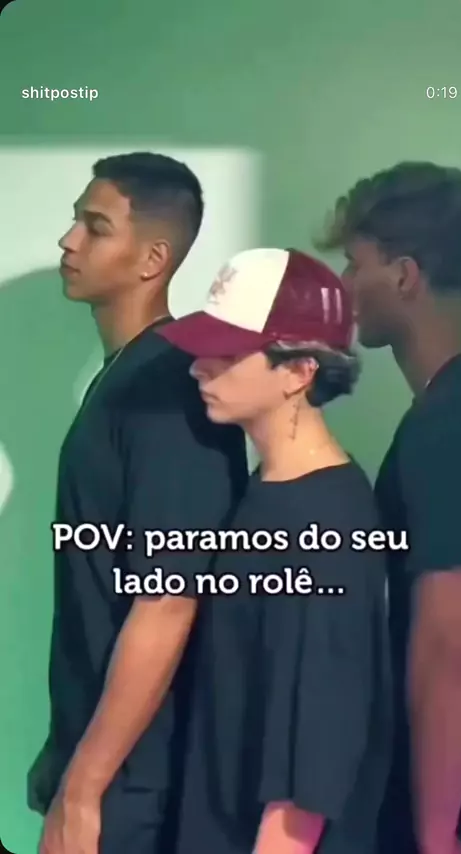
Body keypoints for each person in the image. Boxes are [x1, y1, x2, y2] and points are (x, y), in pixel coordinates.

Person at [27, 151, 248, 854]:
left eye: (95, 227)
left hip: (140, 784)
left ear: (153, 258)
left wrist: (85, 788)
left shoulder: (171, 389)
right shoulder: (125, 378)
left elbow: (170, 598)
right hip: (105, 765)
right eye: (75, 221)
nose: (69, 241)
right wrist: (64, 752)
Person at [156, 247, 392, 854]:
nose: (199, 368)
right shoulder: (268, 490)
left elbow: (309, 774)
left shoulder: (326, 527)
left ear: (299, 371)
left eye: (228, 353)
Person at [318, 161, 461, 854]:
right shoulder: (453, 410)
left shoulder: (453, 422)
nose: (345, 285)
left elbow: (455, 642)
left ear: (405, 275)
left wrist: (435, 835)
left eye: (356, 265)